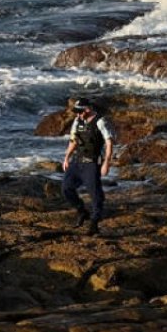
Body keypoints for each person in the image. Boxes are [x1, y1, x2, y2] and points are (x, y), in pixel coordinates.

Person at [61, 98, 115, 235]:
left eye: (80, 112)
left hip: (92, 163)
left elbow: (109, 143)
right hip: (76, 161)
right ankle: (82, 211)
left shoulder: (101, 121)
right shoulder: (77, 121)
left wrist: (106, 163)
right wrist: (66, 158)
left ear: (87, 109)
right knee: (66, 188)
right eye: (76, 112)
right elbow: (73, 140)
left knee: (95, 194)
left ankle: (95, 222)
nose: (77, 114)